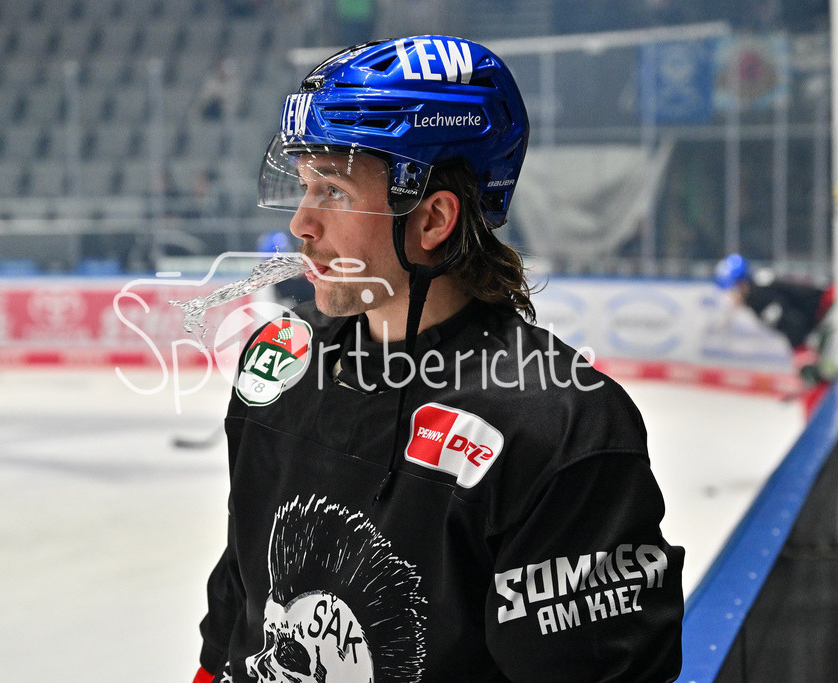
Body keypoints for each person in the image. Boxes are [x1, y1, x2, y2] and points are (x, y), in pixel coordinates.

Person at [195, 36, 684, 682]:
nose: (302, 223)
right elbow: (241, 596)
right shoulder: (281, 363)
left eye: (334, 191)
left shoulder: (560, 433)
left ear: (432, 220)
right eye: (305, 185)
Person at [715, 253, 836, 415]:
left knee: (820, 387)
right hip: (827, 311)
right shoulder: (759, 285)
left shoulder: (758, 299)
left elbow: (793, 324)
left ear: (742, 285)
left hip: (830, 313)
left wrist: (804, 358)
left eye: (730, 290)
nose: (728, 297)